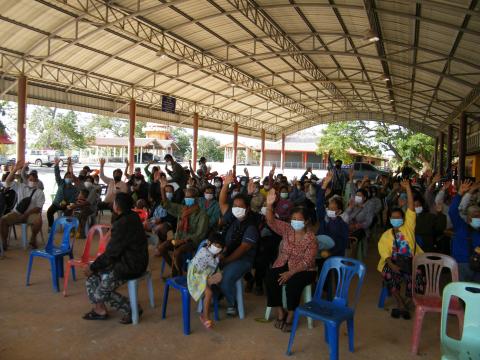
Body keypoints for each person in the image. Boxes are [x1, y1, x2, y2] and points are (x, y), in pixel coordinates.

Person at [83, 193, 148, 324]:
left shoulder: (123, 223)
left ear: (117, 206)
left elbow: (111, 253)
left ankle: (131, 309)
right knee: (92, 278)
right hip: (129, 260)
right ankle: (99, 309)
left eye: (113, 202)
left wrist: (92, 266)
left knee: (99, 291)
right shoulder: (131, 216)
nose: (112, 204)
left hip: (131, 265)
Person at [264, 189, 318, 332]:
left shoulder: (311, 238)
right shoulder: (287, 229)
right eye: (293, 219)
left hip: (305, 270)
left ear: (306, 221)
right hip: (284, 263)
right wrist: (269, 205)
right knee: (270, 277)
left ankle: (292, 314)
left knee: (293, 283)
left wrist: (290, 273)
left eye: (299, 220)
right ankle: (280, 311)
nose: (295, 222)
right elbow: (271, 221)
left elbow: (307, 261)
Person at [378, 179, 423, 320]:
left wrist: (408, 188)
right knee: (388, 274)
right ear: (390, 219)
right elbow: (384, 254)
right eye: (393, 217)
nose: (396, 219)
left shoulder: (408, 227)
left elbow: (410, 207)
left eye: (399, 217)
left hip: (411, 261)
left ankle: (408, 302)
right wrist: (392, 264)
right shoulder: (386, 235)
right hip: (394, 263)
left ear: (404, 219)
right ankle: (400, 302)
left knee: (419, 275)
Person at [218, 170, 259, 316]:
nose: (236, 208)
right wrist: (225, 185)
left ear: (247, 209)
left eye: (240, 207)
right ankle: (217, 296)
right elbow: (222, 202)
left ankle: (232, 303)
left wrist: (225, 261)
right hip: (228, 254)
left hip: (243, 260)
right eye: (234, 205)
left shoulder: (251, 226)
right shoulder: (232, 219)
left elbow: (243, 249)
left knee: (227, 276)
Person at [158, 177, 209, 276]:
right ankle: (176, 270)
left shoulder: (202, 215)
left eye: (190, 198)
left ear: (196, 199)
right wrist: (162, 189)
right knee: (161, 248)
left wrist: (182, 241)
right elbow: (167, 205)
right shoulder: (183, 209)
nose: (187, 199)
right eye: (186, 197)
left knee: (177, 252)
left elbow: (199, 235)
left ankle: (180, 274)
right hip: (179, 237)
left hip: (192, 241)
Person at [0, 160, 45, 249]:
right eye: (31, 179)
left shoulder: (39, 192)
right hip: (17, 213)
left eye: (34, 180)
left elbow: (38, 208)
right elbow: (7, 182)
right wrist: (15, 169)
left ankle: (33, 239)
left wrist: (26, 215)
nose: (32, 181)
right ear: (27, 179)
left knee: (39, 220)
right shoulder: (20, 186)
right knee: (2, 220)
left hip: (30, 214)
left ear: (37, 182)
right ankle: (4, 242)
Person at [187, 232, 224, 329]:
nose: (217, 248)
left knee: (219, 276)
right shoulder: (205, 252)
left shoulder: (208, 251)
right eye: (216, 245)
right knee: (209, 293)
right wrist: (219, 258)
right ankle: (205, 316)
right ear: (208, 243)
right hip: (195, 277)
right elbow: (213, 264)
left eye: (220, 247)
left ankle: (210, 284)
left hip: (202, 274)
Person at [448, 180, 480, 282]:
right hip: (461, 264)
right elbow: (452, 211)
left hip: (478, 265)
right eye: (474, 215)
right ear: (467, 218)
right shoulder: (461, 226)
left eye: (479, 215)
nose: (477, 217)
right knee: (461, 292)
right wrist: (460, 194)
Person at [47, 158, 79, 229]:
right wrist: (56, 165)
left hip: (66, 205)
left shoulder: (74, 188)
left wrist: (66, 204)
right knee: (49, 212)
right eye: (66, 177)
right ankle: (50, 227)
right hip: (56, 203)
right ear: (64, 178)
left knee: (68, 214)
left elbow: (73, 200)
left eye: (69, 177)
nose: (68, 178)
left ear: (72, 179)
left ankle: (68, 228)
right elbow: (57, 175)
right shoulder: (61, 183)